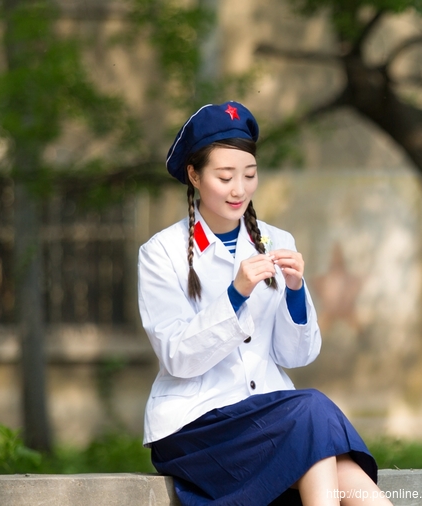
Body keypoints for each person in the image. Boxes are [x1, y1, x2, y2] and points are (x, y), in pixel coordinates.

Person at [137, 101, 392, 506]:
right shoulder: (160, 253)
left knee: (338, 464)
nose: (239, 189)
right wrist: (235, 294)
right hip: (196, 427)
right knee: (313, 415)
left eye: (249, 175)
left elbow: (296, 354)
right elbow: (177, 357)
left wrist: (294, 292)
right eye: (225, 176)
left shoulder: (277, 241)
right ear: (194, 175)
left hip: (271, 419)